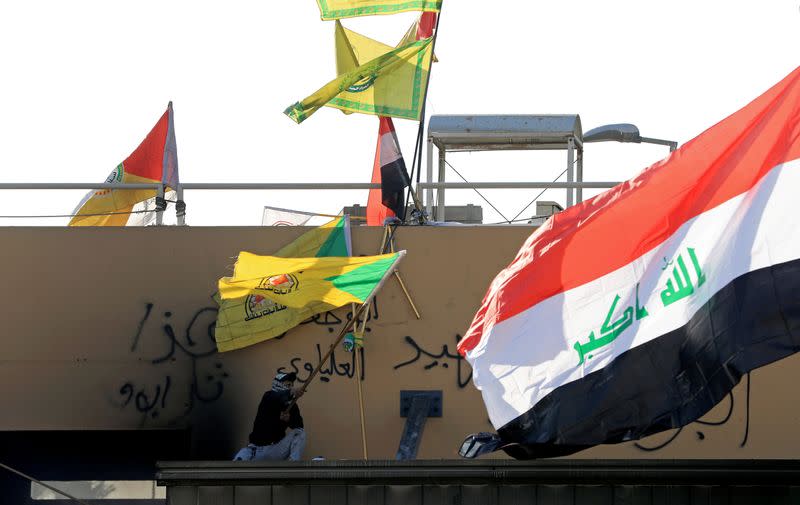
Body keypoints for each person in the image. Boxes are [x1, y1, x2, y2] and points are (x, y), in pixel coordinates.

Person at [233, 372, 306, 461]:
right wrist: (291, 392)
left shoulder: (292, 405)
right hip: (256, 451)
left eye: (291, 385)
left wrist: (289, 419)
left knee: (299, 432)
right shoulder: (268, 396)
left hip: (275, 450)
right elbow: (278, 397)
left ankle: (292, 464)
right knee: (240, 458)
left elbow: (299, 425)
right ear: (277, 384)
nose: (290, 386)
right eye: (287, 384)